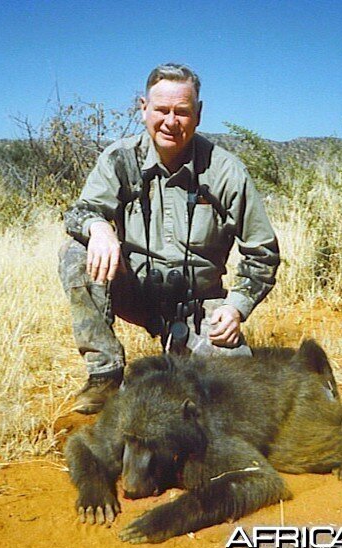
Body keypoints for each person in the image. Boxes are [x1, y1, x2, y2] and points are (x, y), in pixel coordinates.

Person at [59, 63, 280, 414]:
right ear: (143, 108)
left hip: (199, 304)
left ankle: (184, 350)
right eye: (161, 110)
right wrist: (97, 227)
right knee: (75, 252)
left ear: (199, 114)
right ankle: (105, 375)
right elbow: (79, 211)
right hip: (134, 290)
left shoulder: (226, 170)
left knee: (234, 395)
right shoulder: (119, 158)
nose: (171, 121)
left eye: (182, 112)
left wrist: (235, 307)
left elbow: (263, 253)